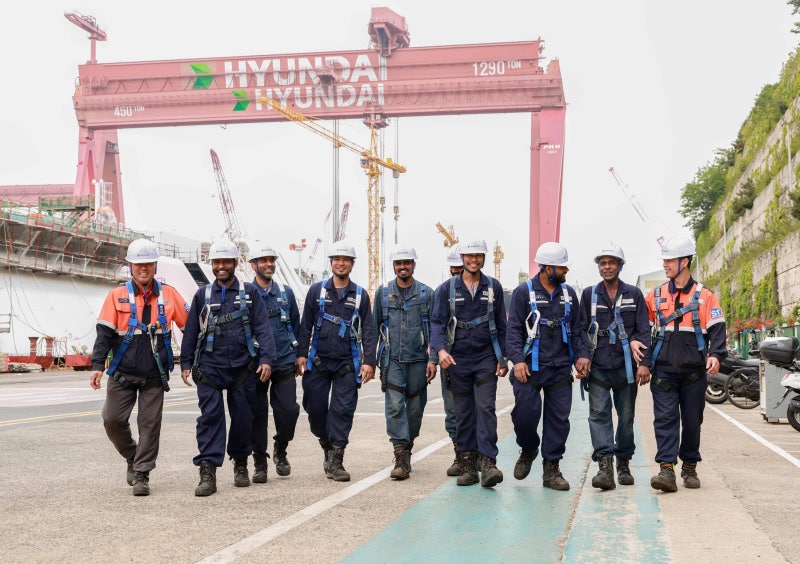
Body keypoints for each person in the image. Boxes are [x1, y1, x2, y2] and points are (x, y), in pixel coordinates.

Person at [89, 238, 190, 496]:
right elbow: (104, 333)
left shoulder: (170, 295)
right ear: (130, 266)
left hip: (154, 374)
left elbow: (189, 329)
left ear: (155, 265)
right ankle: (132, 456)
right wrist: (98, 365)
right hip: (122, 373)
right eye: (138, 264)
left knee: (150, 424)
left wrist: (190, 361)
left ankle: (142, 474)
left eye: (147, 264)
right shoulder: (116, 296)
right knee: (112, 419)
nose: (143, 268)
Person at [179, 237, 276, 497]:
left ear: (235, 263)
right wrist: (186, 363)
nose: (221, 266)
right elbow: (190, 332)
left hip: (243, 368)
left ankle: (241, 463)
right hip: (210, 368)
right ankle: (207, 470)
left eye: (225, 262)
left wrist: (266, 359)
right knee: (210, 418)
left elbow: (262, 328)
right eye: (216, 262)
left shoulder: (249, 292)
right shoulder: (203, 294)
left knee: (244, 418)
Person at [642, 236, 727, 492]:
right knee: (665, 420)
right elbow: (642, 332)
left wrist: (716, 355)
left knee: (692, 422)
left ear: (685, 261)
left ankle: (689, 466)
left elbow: (717, 329)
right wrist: (643, 362)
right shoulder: (654, 296)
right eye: (664, 260)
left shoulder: (705, 296)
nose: (665, 264)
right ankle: (666, 470)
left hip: (693, 373)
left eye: (670, 260)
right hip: (664, 372)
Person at [506, 242, 590, 491]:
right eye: (562, 267)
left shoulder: (569, 294)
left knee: (559, 421)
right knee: (524, 416)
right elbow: (513, 331)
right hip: (530, 368)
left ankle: (551, 468)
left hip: (560, 368)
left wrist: (583, 356)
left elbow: (578, 330)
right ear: (547, 267)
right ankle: (529, 447)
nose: (566, 271)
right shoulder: (524, 293)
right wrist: (517, 361)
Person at [296, 240, 377, 482]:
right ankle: (326, 445)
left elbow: (369, 331)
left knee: (342, 411)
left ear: (352, 264)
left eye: (346, 260)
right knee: (315, 408)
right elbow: (305, 326)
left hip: (346, 364)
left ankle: (337, 459)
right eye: (336, 259)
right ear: (331, 263)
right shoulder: (316, 291)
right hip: (318, 362)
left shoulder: (361, 295)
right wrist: (301, 353)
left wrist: (369, 361)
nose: (341, 263)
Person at [430, 239, 507, 488]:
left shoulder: (493, 287)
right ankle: (467, 465)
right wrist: (440, 351)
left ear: (483, 258)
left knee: (486, 409)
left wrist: (503, 357)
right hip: (456, 359)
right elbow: (437, 324)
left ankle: (488, 463)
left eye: (478, 256)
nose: (473, 260)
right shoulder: (446, 289)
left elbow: (503, 327)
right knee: (463, 414)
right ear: (461, 258)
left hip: (485, 357)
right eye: (469, 256)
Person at [579, 245, 651, 490]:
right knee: (598, 416)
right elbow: (581, 330)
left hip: (626, 367)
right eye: (603, 263)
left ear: (620, 265)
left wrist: (644, 364)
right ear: (598, 267)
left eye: (611, 262)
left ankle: (623, 462)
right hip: (598, 366)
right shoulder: (589, 294)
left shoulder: (634, 294)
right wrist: (582, 357)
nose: (607, 267)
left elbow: (643, 329)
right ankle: (605, 466)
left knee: (626, 418)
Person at [374, 245, 437, 480]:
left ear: (413, 265)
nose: (402, 267)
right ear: (393, 266)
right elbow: (373, 329)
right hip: (392, 360)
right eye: (398, 263)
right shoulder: (382, 294)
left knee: (414, 409)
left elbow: (435, 329)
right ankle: (400, 455)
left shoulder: (426, 294)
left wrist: (433, 359)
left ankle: (408, 443)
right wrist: (370, 361)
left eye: (406, 263)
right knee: (394, 406)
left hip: (419, 359)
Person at [248, 243, 301, 482]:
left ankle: (281, 446)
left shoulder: (286, 293)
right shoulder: (246, 294)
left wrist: (300, 353)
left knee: (289, 410)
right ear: (253, 265)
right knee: (257, 415)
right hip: (255, 364)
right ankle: (260, 461)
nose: (269, 264)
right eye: (264, 260)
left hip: (284, 360)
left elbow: (297, 325)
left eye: (272, 259)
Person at [440, 246, 463, 477]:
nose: (456, 274)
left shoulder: (486, 290)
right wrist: (436, 355)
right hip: (449, 361)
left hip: (477, 361)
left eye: (460, 269)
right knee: (453, 411)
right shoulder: (442, 292)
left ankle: (480, 456)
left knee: (480, 410)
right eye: (452, 270)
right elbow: (435, 325)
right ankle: (460, 453)